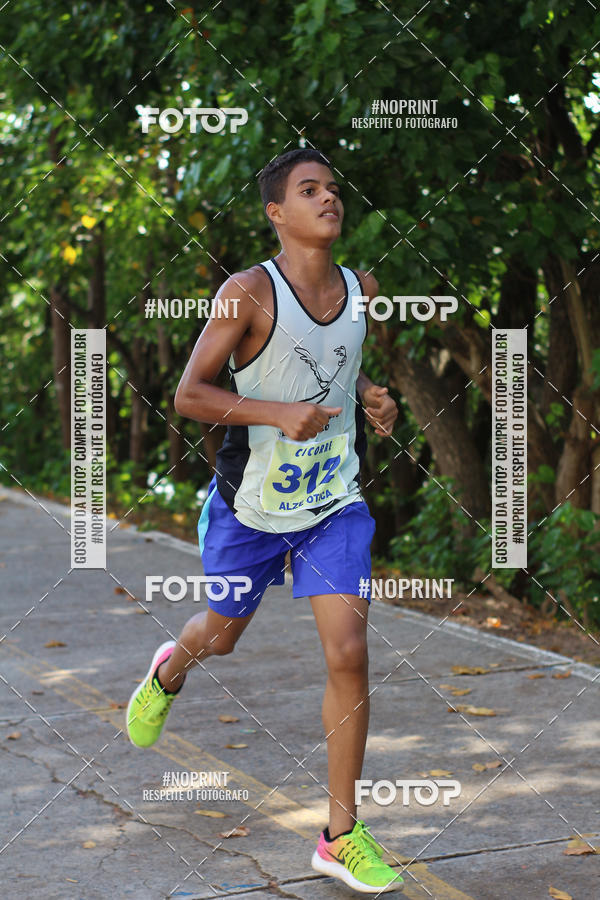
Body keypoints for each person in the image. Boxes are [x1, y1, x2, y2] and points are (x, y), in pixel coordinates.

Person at [126, 148, 402, 893]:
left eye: (334, 189)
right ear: (277, 214)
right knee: (221, 635)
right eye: (309, 190)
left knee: (348, 652)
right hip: (252, 507)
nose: (329, 198)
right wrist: (278, 414)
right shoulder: (245, 293)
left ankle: (340, 835)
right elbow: (190, 393)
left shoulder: (360, 290)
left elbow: (336, 366)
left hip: (332, 504)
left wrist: (375, 398)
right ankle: (169, 668)